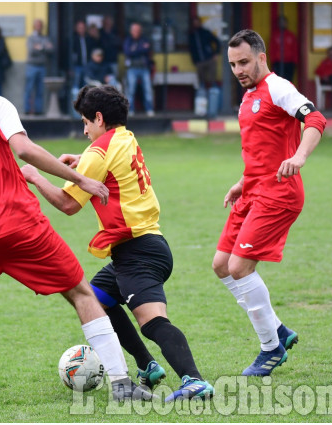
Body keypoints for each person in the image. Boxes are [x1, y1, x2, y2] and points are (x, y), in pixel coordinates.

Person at [0, 51, 152, 402]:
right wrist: (79, 179)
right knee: (81, 293)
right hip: (19, 224)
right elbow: (23, 149)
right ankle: (120, 384)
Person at [20, 85, 214, 402]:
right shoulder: (125, 137)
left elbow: (68, 205)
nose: (84, 130)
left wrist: (35, 176)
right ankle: (147, 365)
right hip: (143, 245)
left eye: (85, 122)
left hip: (138, 251)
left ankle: (194, 380)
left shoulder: (98, 152)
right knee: (96, 299)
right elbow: (112, 161)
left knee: (152, 322)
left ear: (99, 118)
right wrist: (82, 159)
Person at [213, 29, 326, 376]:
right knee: (221, 265)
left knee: (239, 268)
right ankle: (278, 329)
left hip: (279, 194)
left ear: (261, 58)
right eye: (233, 64)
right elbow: (262, 151)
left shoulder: (279, 88)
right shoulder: (248, 97)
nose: (238, 70)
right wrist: (242, 182)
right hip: (253, 191)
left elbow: (315, 119)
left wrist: (301, 156)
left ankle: (271, 349)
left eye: (244, 62)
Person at [123, 23, 154, 116]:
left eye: (138, 30)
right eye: (134, 30)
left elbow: (147, 50)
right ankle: (130, 109)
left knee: (147, 89)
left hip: (144, 68)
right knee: (131, 90)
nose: (136, 32)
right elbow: (127, 52)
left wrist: (135, 50)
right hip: (132, 68)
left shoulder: (145, 39)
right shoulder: (128, 40)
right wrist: (140, 49)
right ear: (131, 31)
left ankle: (149, 109)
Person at [24, 19, 53, 115]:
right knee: (29, 89)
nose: (39, 27)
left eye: (40, 25)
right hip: (32, 66)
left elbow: (51, 49)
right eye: (37, 25)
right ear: (34, 26)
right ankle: (27, 110)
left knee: (40, 90)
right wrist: (44, 48)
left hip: (42, 67)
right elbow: (32, 50)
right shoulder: (31, 38)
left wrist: (40, 47)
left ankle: (38, 110)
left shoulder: (45, 38)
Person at [188, 16, 220, 89]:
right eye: (194, 23)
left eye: (197, 23)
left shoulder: (205, 32)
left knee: (212, 79)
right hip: (199, 60)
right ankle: (203, 96)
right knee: (201, 82)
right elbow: (191, 49)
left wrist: (216, 53)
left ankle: (213, 93)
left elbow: (217, 41)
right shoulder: (191, 35)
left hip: (209, 58)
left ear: (200, 23)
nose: (196, 25)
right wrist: (194, 60)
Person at [269, 16, 298, 83]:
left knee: (288, 81)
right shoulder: (275, 35)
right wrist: (273, 61)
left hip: (289, 63)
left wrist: (295, 61)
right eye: (280, 22)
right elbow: (272, 49)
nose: (282, 24)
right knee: (278, 81)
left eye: (284, 22)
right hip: (278, 62)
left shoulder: (291, 35)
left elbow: (295, 49)